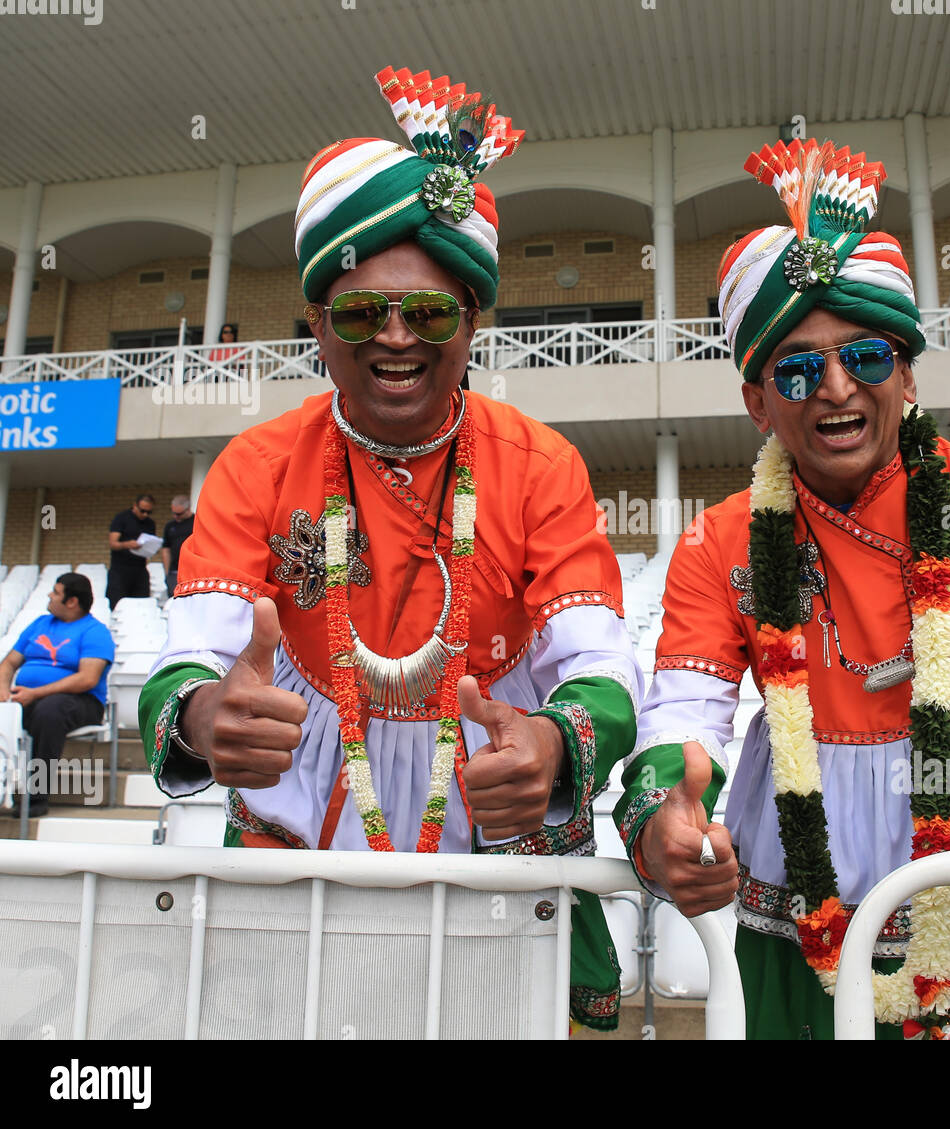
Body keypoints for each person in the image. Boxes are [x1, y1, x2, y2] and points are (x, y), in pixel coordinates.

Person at [138, 67, 642, 1032]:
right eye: (363, 312)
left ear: (474, 319)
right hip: (303, 839)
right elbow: (192, 652)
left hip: (494, 831)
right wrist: (203, 715)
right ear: (320, 325)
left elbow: (598, 661)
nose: (397, 337)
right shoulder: (257, 463)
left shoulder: (542, 464)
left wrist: (555, 738)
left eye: (431, 312)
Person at [616, 140, 950, 1040]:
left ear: (907, 372)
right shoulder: (716, 540)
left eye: (863, 356)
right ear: (757, 404)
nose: (833, 389)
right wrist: (662, 815)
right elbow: (683, 717)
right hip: (799, 885)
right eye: (795, 369)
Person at [0, 574, 114, 818]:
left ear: (72, 601)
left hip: (81, 702)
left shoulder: (95, 632)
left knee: (50, 710)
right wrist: (3, 690)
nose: (50, 596)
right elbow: (9, 663)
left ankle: (36, 797)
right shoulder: (40, 623)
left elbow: (87, 678)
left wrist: (35, 693)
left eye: (55, 592)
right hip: (28, 699)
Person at [107, 494, 157, 609]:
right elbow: (113, 543)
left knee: (141, 604)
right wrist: (127, 544)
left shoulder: (150, 523)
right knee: (117, 603)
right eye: (142, 511)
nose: (145, 515)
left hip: (140, 568)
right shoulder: (121, 518)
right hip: (120, 569)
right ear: (135, 506)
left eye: (149, 512)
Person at [161, 495, 194, 598]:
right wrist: (167, 571)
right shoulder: (170, 526)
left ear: (188, 509)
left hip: (191, 572)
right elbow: (166, 549)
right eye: (174, 513)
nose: (176, 516)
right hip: (174, 571)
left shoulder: (197, 522)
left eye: (179, 514)